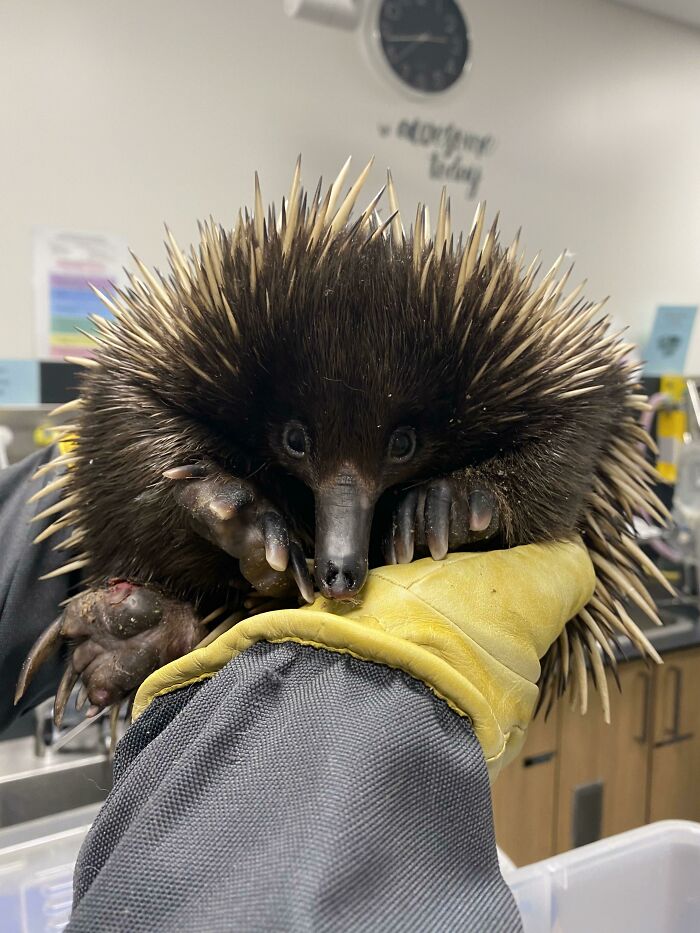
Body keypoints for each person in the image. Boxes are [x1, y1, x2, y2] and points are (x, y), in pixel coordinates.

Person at [1, 447, 592, 931]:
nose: (342, 568)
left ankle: (181, 617)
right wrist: (147, 487)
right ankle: (184, 616)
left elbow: (584, 442)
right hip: (221, 588)